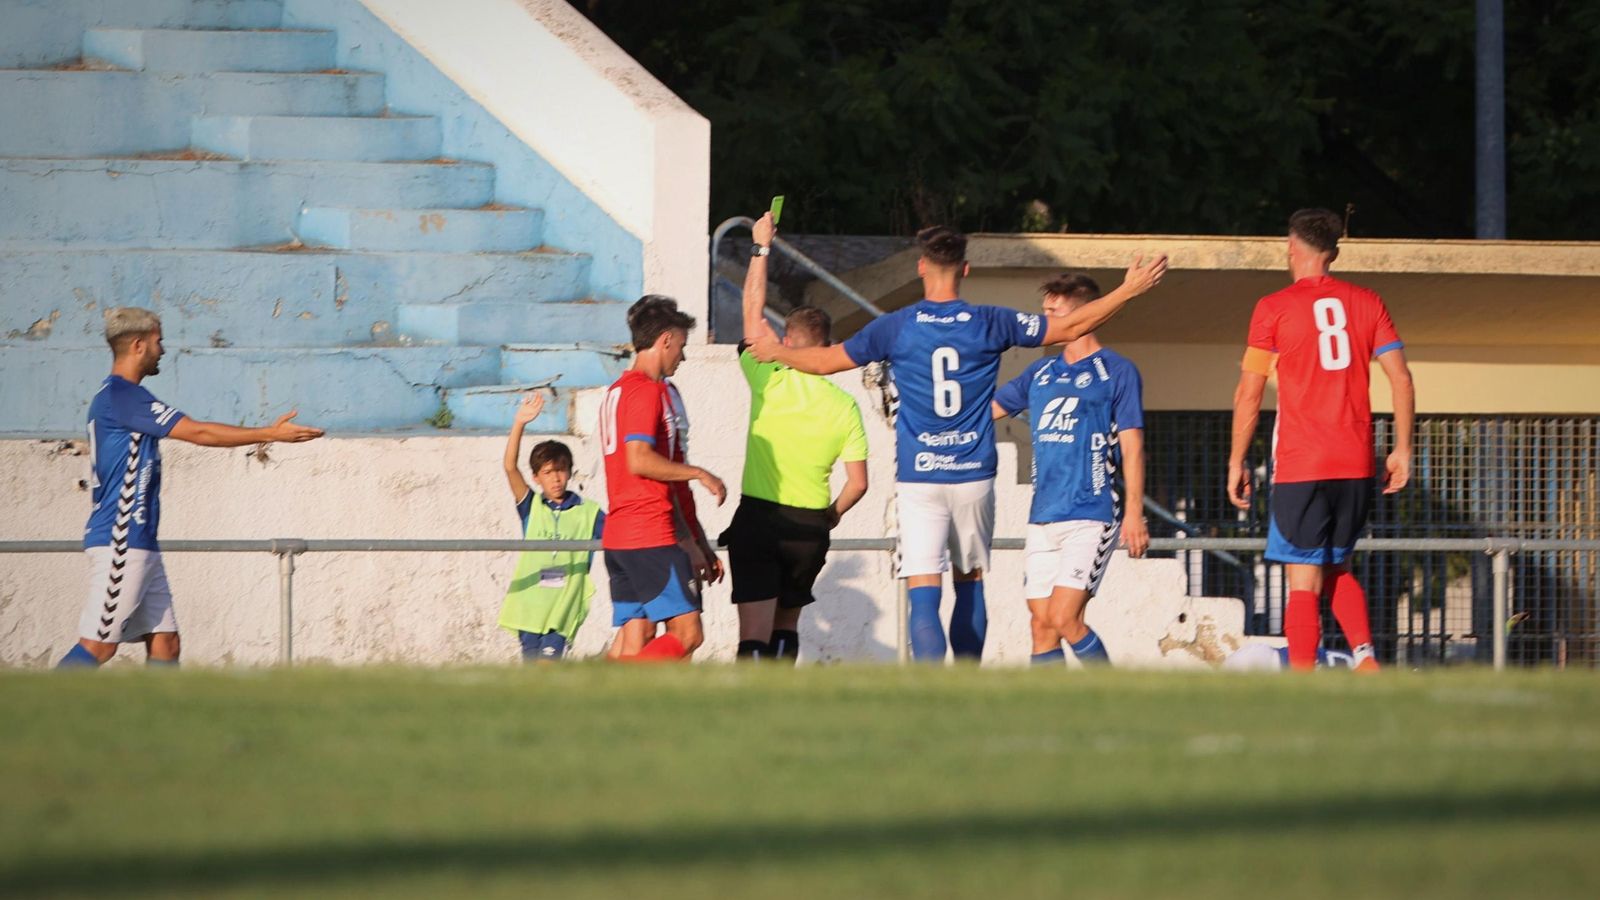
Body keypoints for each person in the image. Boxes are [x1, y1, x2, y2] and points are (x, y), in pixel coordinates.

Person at [751, 226, 1165, 663]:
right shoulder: (991, 321)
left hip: (920, 476)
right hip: (973, 474)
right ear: (965, 270)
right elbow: (1071, 326)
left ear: (921, 267)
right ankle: (968, 680)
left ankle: (933, 689)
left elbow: (826, 361)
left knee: (924, 591)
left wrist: (777, 352)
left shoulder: (895, 326)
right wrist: (1128, 290)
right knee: (970, 582)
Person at [56, 307, 323, 669]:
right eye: (158, 341)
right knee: (98, 646)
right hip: (122, 540)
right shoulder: (124, 396)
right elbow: (199, 432)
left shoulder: (122, 396)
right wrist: (270, 434)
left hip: (139, 540)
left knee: (166, 644)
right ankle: (31, 708)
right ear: (138, 345)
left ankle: (163, 711)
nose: (163, 350)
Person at [1228, 208, 1415, 672]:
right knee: (1337, 566)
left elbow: (1249, 393)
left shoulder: (1272, 307)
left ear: (1291, 247)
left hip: (1302, 463)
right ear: (1334, 252)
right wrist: (1402, 449)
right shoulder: (1368, 301)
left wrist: (1236, 460)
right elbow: (1401, 378)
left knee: (1303, 579)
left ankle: (1302, 683)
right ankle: (1366, 659)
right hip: (1355, 462)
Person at [720, 211, 869, 663]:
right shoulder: (845, 405)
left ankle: (751, 700)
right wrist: (831, 515)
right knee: (786, 625)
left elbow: (751, 310)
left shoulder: (771, 376)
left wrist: (761, 245)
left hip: (761, 516)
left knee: (753, 634)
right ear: (826, 345)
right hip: (809, 525)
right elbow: (858, 484)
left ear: (786, 341)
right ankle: (783, 696)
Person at [992, 274, 1148, 666]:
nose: (1044, 320)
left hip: (1091, 513)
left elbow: (1132, 446)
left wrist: (1134, 512)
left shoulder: (1117, 371)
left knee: (1064, 618)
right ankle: (1055, 705)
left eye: (1053, 311)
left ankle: (1114, 698)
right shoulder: (1040, 372)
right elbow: (987, 410)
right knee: (1041, 625)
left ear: (1083, 314)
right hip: (1044, 515)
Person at [599, 295, 726, 660]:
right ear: (666, 340)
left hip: (620, 537)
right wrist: (698, 472)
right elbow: (640, 460)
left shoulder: (617, 391)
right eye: (681, 347)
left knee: (635, 640)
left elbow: (659, 480)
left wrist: (695, 541)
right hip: (649, 535)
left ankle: (592, 695)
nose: (681, 358)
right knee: (687, 634)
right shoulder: (647, 391)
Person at [498, 391, 605, 661]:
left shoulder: (589, 512)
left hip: (563, 606)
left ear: (569, 471)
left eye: (561, 470)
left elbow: (619, 536)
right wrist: (519, 423)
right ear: (536, 477)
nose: (556, 478)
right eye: (547, 472)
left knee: (549, 664)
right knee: (531, 671)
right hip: (530, 606)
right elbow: (510, 467)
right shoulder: (531, 506)